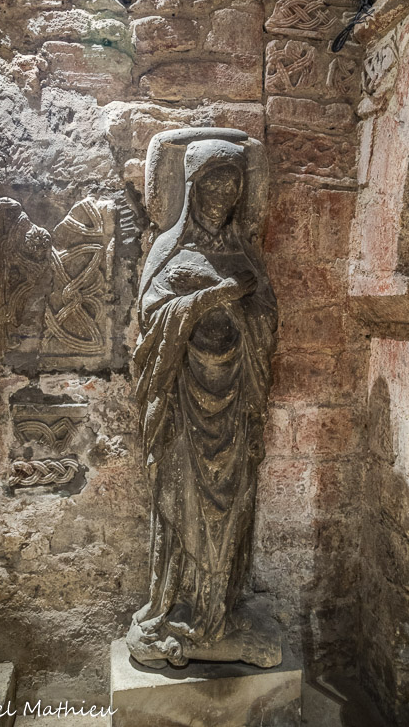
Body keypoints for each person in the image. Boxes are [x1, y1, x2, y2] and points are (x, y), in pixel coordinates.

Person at [127, 136, 278, 667]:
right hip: (181, 404)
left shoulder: (245, 256)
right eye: (214, 181)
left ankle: (220, 615)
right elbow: (151, 321)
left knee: (230, 507)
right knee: (180, 502)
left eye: (233, 183)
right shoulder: (168, 250)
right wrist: (208, 299)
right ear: (192, 186)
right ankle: (174, 610)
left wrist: (244, 311)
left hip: (234, 406)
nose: (224, 193)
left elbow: (267, 322)